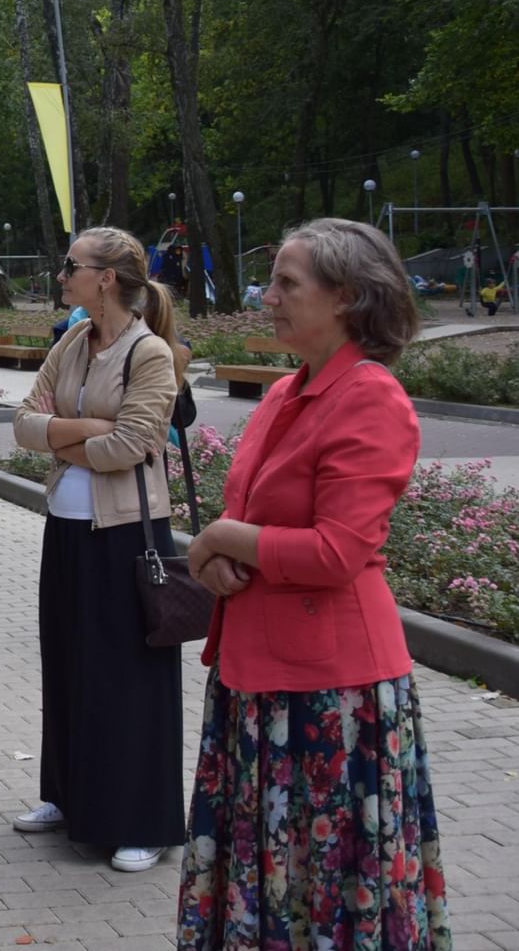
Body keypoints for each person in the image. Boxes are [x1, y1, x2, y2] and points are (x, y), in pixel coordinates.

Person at [177, 219, 450, 948]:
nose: (268, 297)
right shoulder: (286, 392)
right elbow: (252, 513)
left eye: (288, 284)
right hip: (258, 678)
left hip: (333, 696)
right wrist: (215, 557)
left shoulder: (370, 396)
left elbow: (338, 550)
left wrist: (222, 539)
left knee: (326, 889)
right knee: (281, 880)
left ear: (348, 297)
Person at [9, 226, 187, 873]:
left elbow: (132, 446)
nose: (62, 277)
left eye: (71, 267)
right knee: (67, 665)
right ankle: (66, 793)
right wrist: (80, 431)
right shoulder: (76, 342)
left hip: (125, 537)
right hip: (66, 526)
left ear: (105, 278)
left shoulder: (150, 354)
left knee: (127, 680)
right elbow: (22, 421)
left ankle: (144, 821)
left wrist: (59, 437)